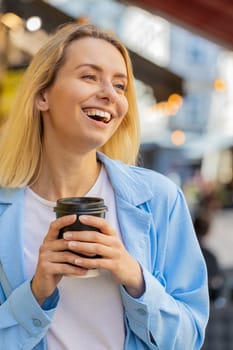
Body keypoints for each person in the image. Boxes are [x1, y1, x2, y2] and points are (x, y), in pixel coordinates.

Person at [0, 23, 209, 350]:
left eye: (120, 85)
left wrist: (135, 277)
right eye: (89, 76)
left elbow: (190, 338)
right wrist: (36, 292)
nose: (110, 95)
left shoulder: (159, 199)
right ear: (43, 95)